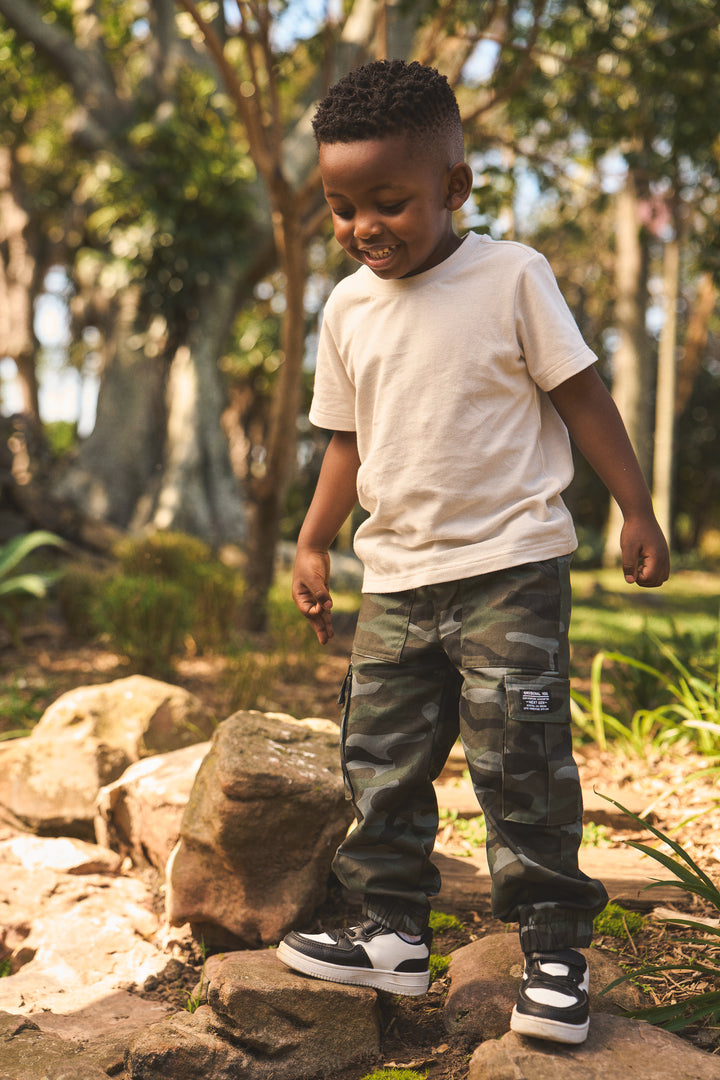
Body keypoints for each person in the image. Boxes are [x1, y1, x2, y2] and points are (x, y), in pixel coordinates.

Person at [276, 59, 670, 1046]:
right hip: (397, 578)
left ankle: (552, 957)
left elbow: (582, 396)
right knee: (381, 761)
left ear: (455, 185)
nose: (364, 225)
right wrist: (315, 540)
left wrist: (636, 508)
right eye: (341, 206)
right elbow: (346, 440)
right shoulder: (346, 311)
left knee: (523, 762)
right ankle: (389, 933)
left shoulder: (512, 276)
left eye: (389, 201)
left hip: (510, 569)